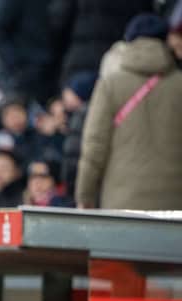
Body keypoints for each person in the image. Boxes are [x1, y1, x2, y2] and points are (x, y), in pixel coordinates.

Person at [76, 14, 182, 210]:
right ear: (166, 41)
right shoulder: (179, 85)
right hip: (175, 206)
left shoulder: (110, 84)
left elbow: (95, 146)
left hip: (122, 203)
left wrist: (85, 195)